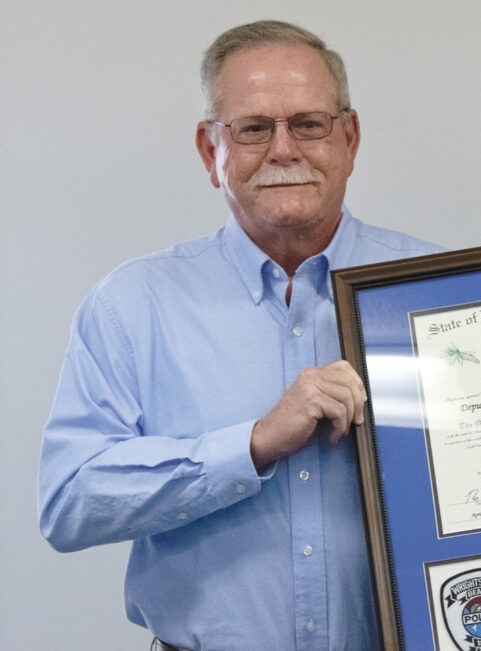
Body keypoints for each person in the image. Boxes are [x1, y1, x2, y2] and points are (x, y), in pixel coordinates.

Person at [37, 20, 442, 650]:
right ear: (210, 151)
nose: (284, 150)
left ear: (349, 138)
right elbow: (68, 501)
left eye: (308, 123)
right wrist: (250, 445)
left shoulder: (440, 296)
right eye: (253, 128)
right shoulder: (132, 305)